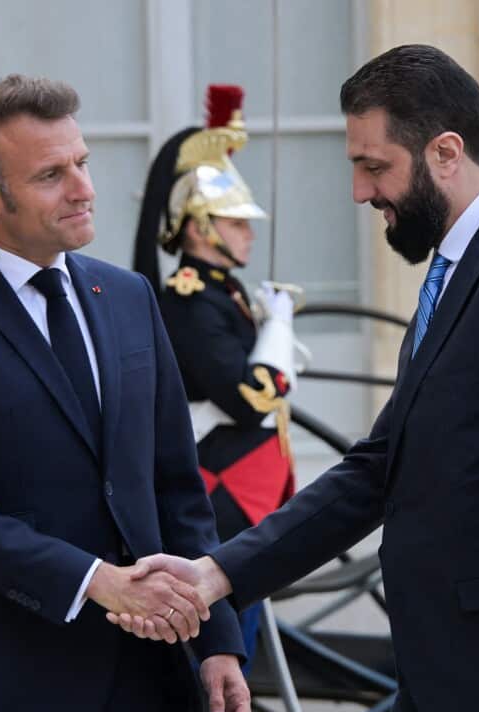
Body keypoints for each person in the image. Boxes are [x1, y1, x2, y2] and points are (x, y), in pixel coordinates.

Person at [114, 45, 479, 712]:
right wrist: (216, 575)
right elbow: (383, 467)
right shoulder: (466, 266)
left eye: (373, 166)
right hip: (458, 673)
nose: (359, 191)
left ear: (446, 152)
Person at [0, 75, 250, 712]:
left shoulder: (130, 297)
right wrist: (98, 582)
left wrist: (218, 641)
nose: (84, 190)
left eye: (83, 164)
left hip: (149, 677)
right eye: (51, 175)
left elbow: (177, 484)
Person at [132, 84, 298, 671]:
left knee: (241, 637)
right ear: (200, 229)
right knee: (223, 645)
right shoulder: (190, 300)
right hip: (219, 489)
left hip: (242, 488)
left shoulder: (220, 291)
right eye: (236, 222)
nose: (249, 232)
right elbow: (250, 398)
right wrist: (279, 343)